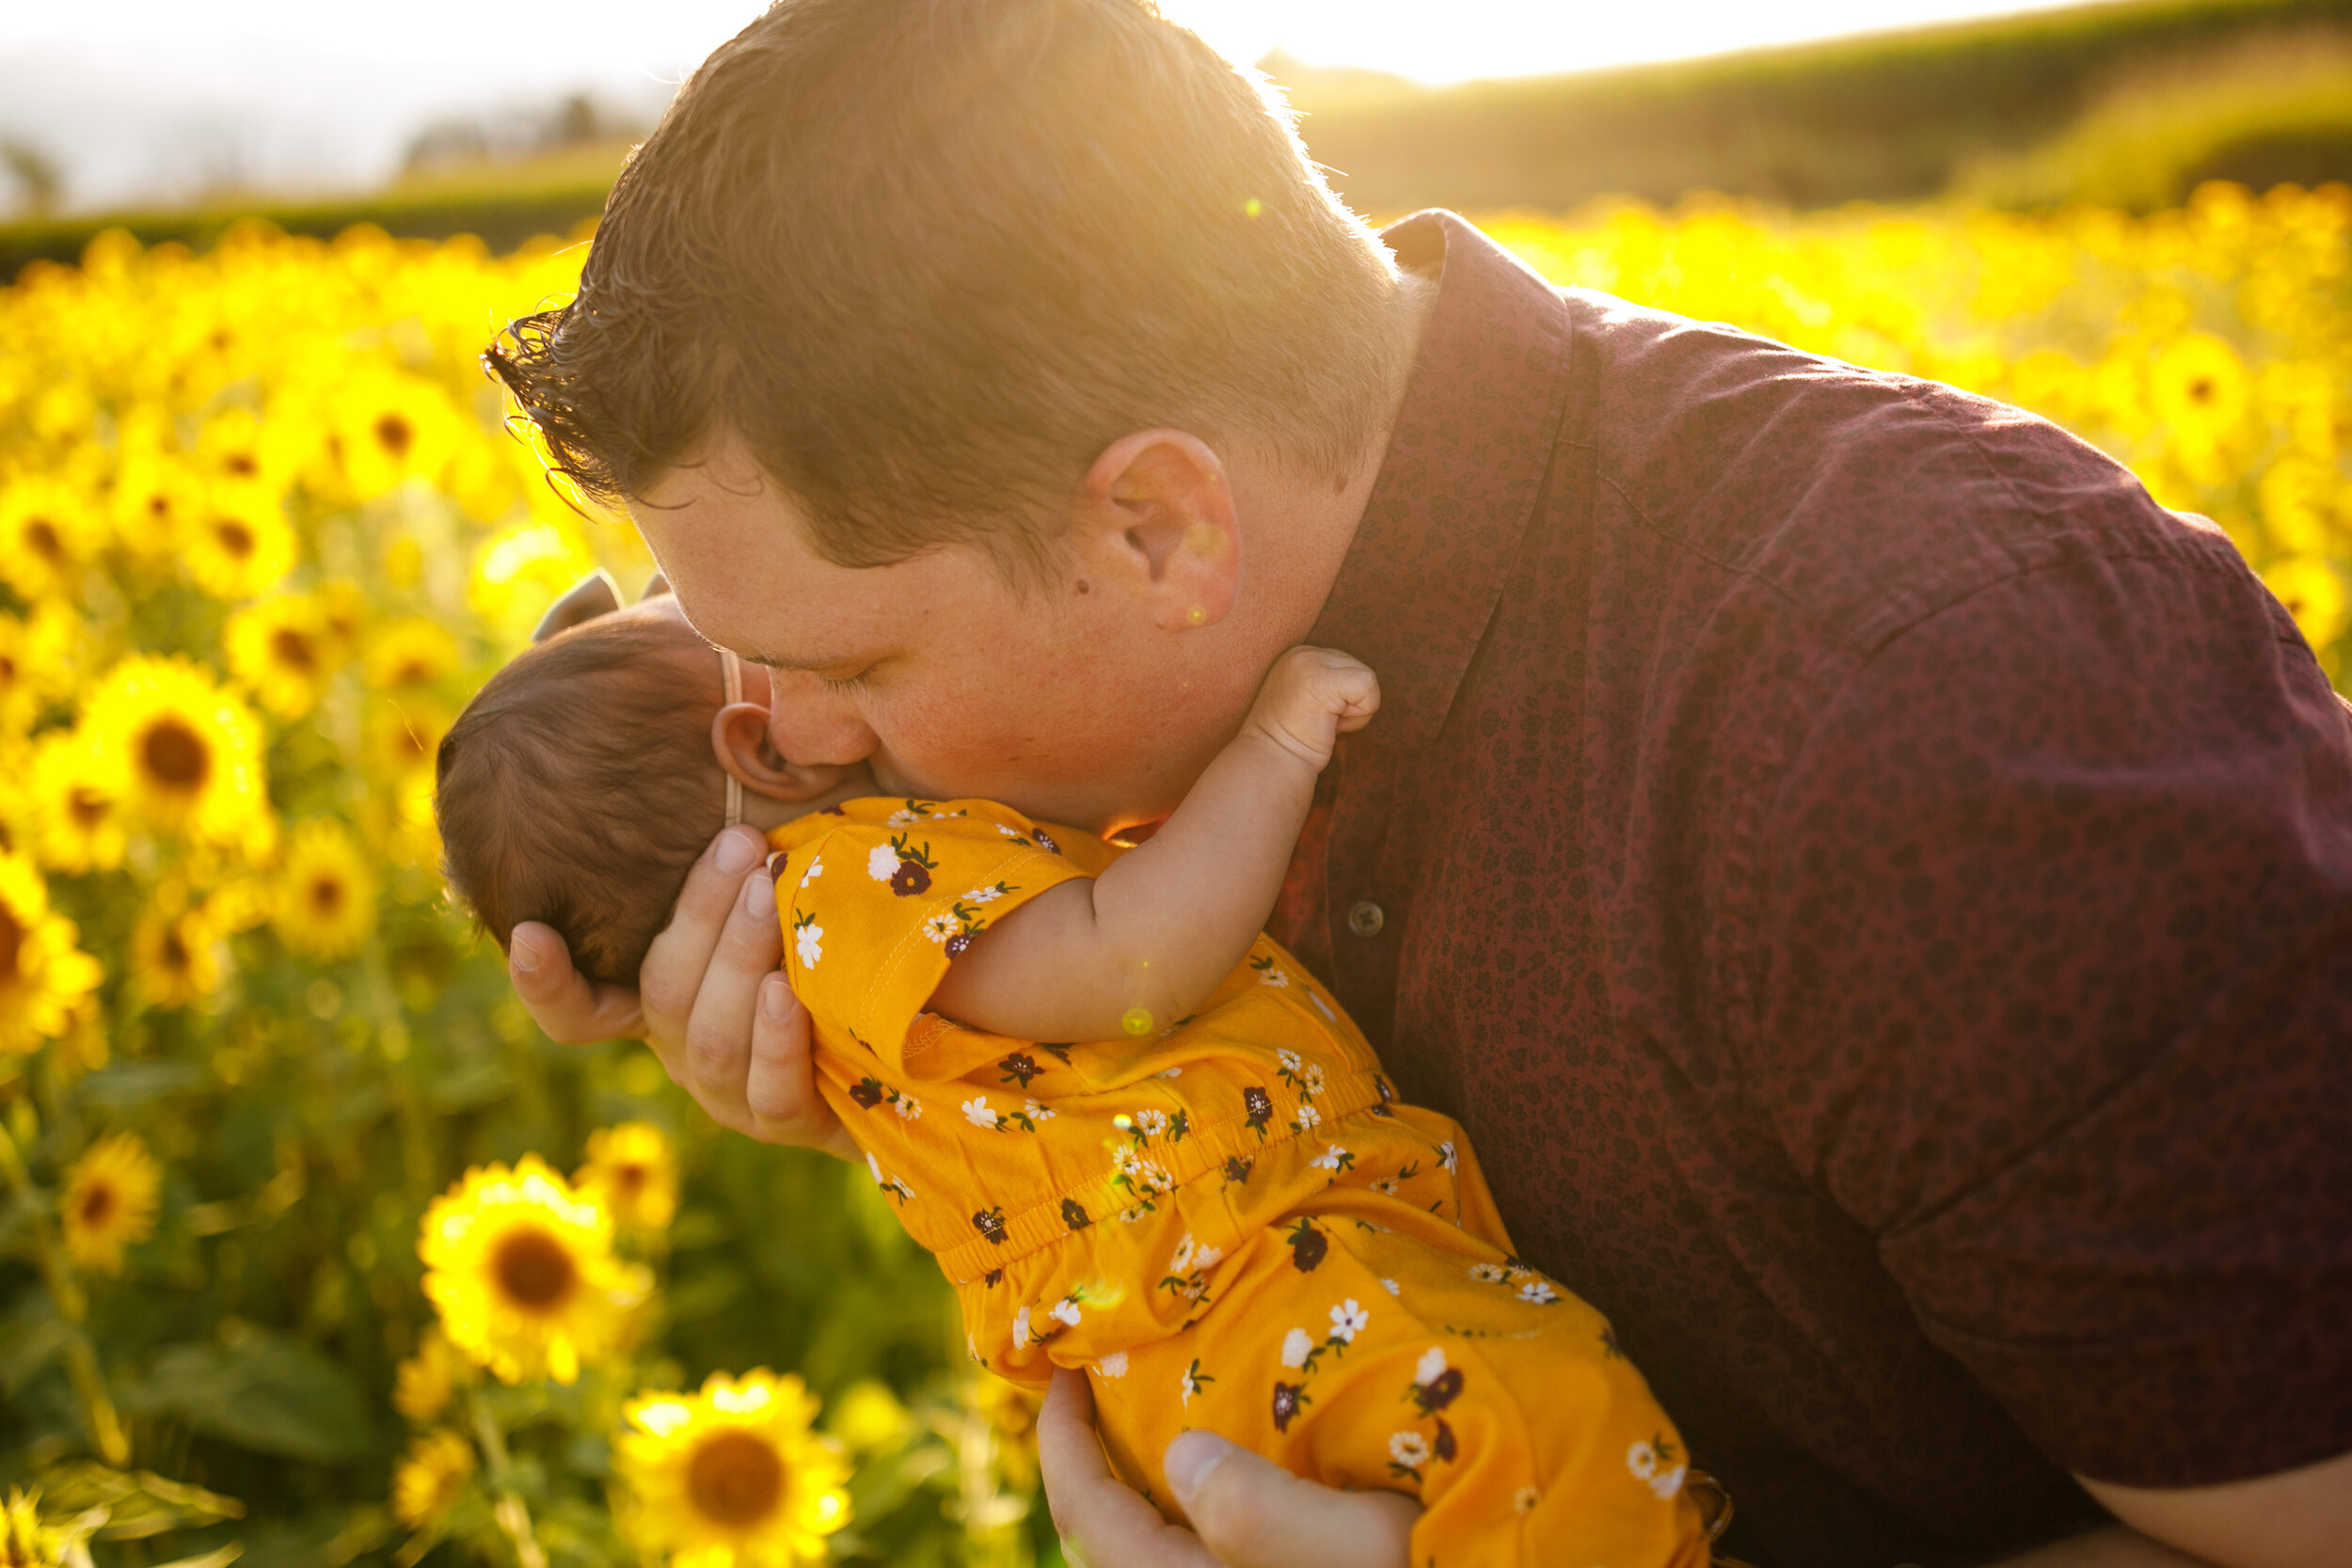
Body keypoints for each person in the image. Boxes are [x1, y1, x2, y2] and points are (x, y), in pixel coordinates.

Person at [482, 1, 2352, 1563]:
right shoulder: (1140, 727)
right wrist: (947, 1079)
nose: (784, 753)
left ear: (1152, 529)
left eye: (840, 668)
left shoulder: (1915, 723)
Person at [436, 596, 1722, 1565]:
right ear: (765, 751)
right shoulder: (852, 874)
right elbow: (1129, 960)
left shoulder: (832, 975)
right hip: (1250, 1282)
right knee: (1534, 1435)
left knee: (1497, 1453)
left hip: (1181, 1352)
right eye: (781, 641)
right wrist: (1274, 744)